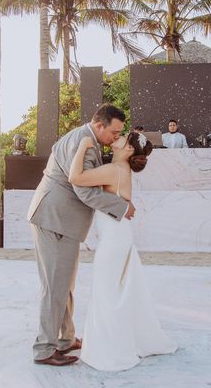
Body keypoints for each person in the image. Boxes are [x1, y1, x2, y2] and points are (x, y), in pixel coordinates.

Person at [27, 104, 135, 367]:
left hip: (62, 221)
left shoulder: (89, 140)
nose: (115, 138)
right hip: (55, 219)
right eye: (114, 132)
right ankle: (44, 349)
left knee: (64, 283)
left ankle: (65, 339)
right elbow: (84, 191)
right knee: (55, 286)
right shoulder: (81, 142)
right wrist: (122, 207)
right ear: (99, 125)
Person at [69, 131, 177, 371]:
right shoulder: (118, 168)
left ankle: (109, 349)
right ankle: (117, 341)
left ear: (129, 150)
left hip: (114, 239)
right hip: (117, 234)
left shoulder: (115, 169)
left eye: (124, 138)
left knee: (108, 291)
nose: (117, 138)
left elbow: (75, 177)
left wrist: (83, 146)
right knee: (114, 290)